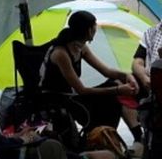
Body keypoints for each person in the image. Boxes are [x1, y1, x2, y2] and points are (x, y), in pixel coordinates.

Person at [42, 10, 142, 147]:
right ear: (89, 31)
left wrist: (127, 76)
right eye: (95, 26)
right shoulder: (61, 53)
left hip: (73, 95)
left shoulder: (80, 47)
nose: (96, 29)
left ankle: (133, 137)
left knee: (114, 84)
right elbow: (81, 90)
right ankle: (104, 138)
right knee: (113, 97)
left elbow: (106, 71)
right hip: (60, 99)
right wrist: (118, 90)